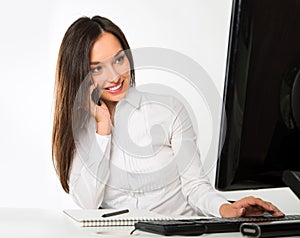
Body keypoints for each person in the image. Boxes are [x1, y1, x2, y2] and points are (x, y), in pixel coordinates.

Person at [52, 15, 284, 218]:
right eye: (97, 68)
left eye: (119, 59)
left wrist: (227, 209)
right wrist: (103, 127)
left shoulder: (167, 110)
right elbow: (88, 204)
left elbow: (195, 186)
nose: (114, 76)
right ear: (79, 74)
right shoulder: (81, 131)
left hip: (180, 231)